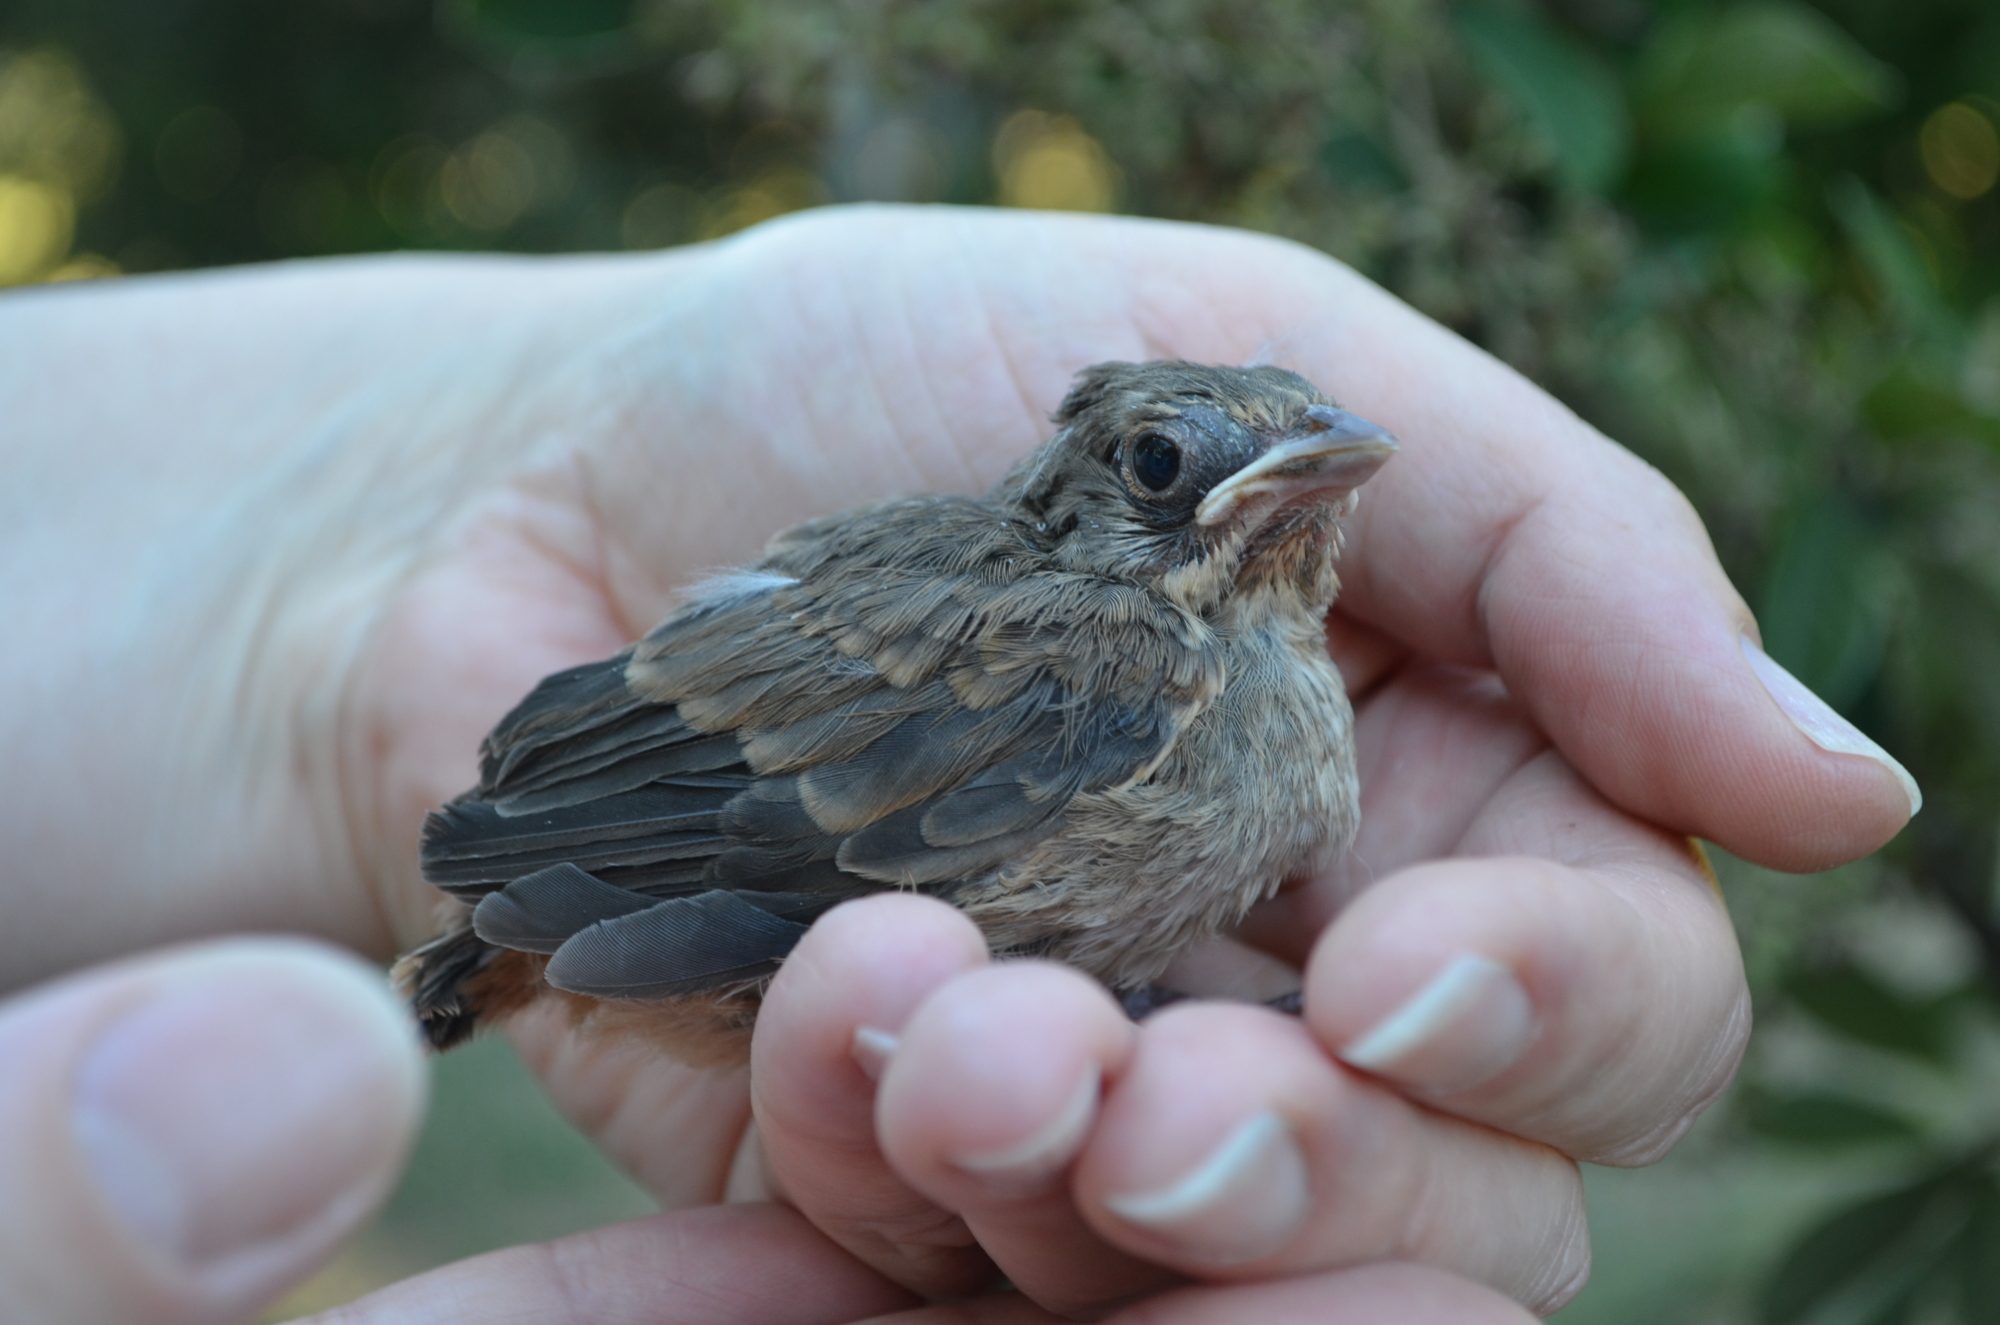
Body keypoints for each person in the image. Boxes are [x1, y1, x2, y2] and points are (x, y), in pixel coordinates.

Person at [0, 207, 1918, 1325]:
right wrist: (511, 906)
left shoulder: (1256, 684)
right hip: (660, 822)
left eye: (1295, 462)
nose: (1261, 486)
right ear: (1092, 495)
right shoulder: (1110, 660)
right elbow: (745, 819)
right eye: (1166, 466)